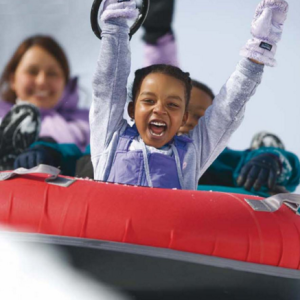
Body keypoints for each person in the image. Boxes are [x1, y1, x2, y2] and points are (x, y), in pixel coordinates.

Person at [88, 0, 288, 190]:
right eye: (149, 101)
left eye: (172, 105)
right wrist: (116, 24)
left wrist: (259, 51)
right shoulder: (110, 140)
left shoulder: (190, 155)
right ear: (132, 109)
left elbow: (226, 111)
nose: (159, 109)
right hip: (111, 223)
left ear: (183, 118)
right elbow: (108, 87)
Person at [179, 80, 300, 196]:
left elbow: (243, 160)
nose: (189, 121)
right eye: (180, 111)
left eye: (200, 117)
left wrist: (271, 159)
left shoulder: (219, 160)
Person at [0, 35, 89, 172]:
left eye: (52, 74)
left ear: (65, 82)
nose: (41, 81)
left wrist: (52, 152)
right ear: (13, 79)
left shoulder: (86, 125)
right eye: (32, 71)